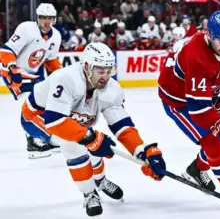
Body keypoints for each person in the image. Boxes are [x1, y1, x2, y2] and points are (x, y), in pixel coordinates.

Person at [20, 43, 166, 217]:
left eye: (108, 71)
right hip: (38, 117)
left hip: (70, 119)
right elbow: (55, 120)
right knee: (74, 144)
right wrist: (91, 138)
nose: (105, 77)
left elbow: (121, 125)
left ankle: (100, 180)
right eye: (100, 71)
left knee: (92, 141)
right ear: (87, 67)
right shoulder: (66, 79)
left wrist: (142, 151)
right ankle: (89, 193)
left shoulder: (111, 88)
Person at [158, 10, 220, 204]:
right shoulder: (196, 57)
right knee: (213, 142)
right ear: (209, 36)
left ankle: (197, 169)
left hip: (208, 95)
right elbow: (199, 109)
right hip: (180, 101)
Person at [0, 3, 62, 158]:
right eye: (43, 17)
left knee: (46, 102)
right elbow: (7, 50)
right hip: (13, 71)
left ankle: (41, 135)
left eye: (49, 18)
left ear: (54, 19)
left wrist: (63, 75)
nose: (46, 21)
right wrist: (13, 68)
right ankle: (33, 140)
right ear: (38, 18)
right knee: (31, 104)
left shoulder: (56, 36)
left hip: (33, 73)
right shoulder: (26, 29)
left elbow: (50, 60)